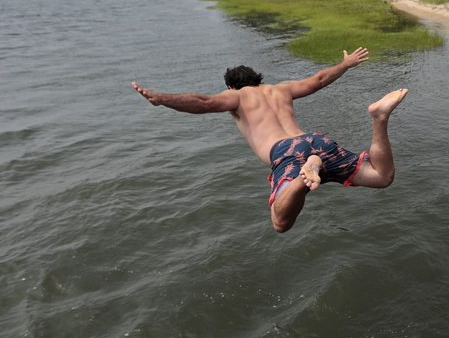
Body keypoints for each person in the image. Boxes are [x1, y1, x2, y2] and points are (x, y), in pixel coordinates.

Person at [132, 47, 408, 233]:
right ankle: (379, 118)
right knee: (382, 176)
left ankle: (304, 177)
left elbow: (203, 102)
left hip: (288, 152)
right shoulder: (281, 89)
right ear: (258, 78)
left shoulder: (237, 96)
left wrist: (162, 100)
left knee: (280, 222)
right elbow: (321, 79)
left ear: (231, 85)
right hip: (315, 140)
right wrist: (346, 64)